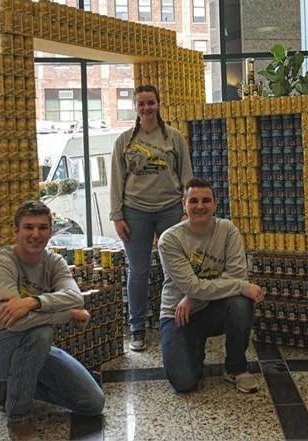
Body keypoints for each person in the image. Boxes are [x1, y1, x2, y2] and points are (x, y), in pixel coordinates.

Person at [0, 200, 105, 438]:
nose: (35, 234)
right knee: (41, 333)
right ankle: (18, 417)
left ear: (50, 231)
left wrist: (33, 302)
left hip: (33, 349)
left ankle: (13, 387)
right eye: (28, 227)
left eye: (42, 227)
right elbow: (15, 322)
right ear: (16, 231)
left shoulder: (54, 262)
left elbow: (75, 297)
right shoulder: (0, 264)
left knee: (92, 403)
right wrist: (66, 314)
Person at [157, 178, 264, 394]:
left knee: (240, 303)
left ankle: (236, 368)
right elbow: (195, 286)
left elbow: (236, 274)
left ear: (215, 203)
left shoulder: (228, 230)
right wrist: (241, 286)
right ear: (183, 204)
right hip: (177, 314)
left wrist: (194, 296)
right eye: (193, 201)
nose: (200, 206)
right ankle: (193, 346)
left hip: (212, 308)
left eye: (206, 200)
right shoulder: (169, 240)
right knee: (184, 382)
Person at [110, 84, 194, 351]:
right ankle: (137, 329)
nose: (146, 108)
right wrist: (117, 215)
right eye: (141, 104)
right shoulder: (124, 140)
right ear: (136, 108)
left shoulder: (174, 137)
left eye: (151, 103)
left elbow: (187, 176)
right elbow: (116, 180)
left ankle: (177, 322)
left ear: (159, 105)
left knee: (175, 269)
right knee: (138, 271)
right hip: (135, 212)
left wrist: (186, 210)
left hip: (170, 209)